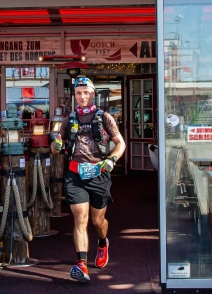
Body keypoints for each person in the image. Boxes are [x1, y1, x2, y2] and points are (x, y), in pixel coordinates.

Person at [50, 76, 126, 283]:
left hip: (99, 173)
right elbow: (56, 147)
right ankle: (81, 264)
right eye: (78, 93)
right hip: (76, 175)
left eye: (86, 93)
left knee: (97, 221)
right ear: (74, 95)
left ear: (93, 94)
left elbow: (121, 144)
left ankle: (102, 242)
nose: (82, 96)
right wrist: (56, 146)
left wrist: (112, 159)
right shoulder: (69, 119)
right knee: (80, 219)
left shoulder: (104, 117)